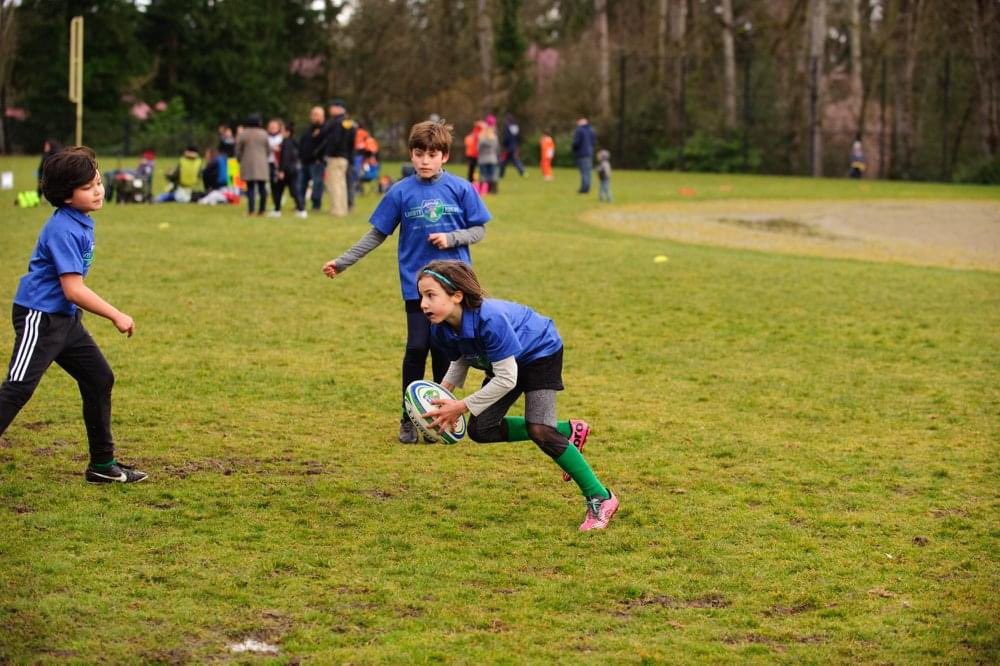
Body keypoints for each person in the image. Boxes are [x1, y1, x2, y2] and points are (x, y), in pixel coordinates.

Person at [416, 260, 617, 531]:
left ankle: (600, 497)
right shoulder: (440, 327)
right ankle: (568, 431)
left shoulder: (490, 320)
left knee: (540, 430)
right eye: (421, 296)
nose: (423, 304)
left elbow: (508, 378)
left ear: (457, 296)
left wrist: (460, 406)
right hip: (504, 363)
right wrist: (440, 399)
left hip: (539, 351)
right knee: (481, 429)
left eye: (431, 295)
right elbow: (460, 358)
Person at [322, 120, 490, 443]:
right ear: (411, 155)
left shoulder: (460, 189)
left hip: (453, 290)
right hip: (418, 288)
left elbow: (479, 230)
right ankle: (408, 417)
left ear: (444, 156)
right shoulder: (400, 191)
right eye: (419, 153)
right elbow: (376, 234)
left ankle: (437, 419)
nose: (425, 160)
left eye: (432, 154)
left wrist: (452, 237)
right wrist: (342, 263)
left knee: (444, 354)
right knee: (416, 347)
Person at [0, 147, 147, 483]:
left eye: (98, 182)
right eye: (87, 187)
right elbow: (73, 289)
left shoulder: (80, 220)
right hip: (41, 317)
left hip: (65, 320)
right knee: (18, 388)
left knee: (98, 378)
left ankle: (102, 466)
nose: (97, 190)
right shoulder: (64, 229)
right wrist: (116, 315)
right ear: (66, 197)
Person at [321, 99, 356, 217]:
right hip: (345, 157)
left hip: (335, 157)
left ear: (339, 108)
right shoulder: (349, 122)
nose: (330, 109)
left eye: (333, 107)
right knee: (341, 184)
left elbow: (334, 140)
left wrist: (329, 152)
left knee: (334, 184)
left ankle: (336, 210)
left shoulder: (336, 122)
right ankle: (343, 208)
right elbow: (352, 141)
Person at [236, 114, 269, 216]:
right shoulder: (264, 134)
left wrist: (239, 159)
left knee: (250, 188)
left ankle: (251, 210)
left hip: (248, 163)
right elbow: (268, 149)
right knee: (262, 188)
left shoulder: (244, 134)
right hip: (262, 164)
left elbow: (238, 149)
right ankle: (262, 210)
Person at [274, 122, 306, 218]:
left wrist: (281, 170)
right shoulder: (293, 141)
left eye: (282, 130)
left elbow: (285, 157)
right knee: (294, 190)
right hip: (293, 169)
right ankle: (301, 209)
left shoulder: (286, 142)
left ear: (287, 132)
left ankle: (277, 210)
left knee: (279, 191)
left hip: (287, 170)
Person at [298, 106, 327, 211]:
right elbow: (302, 144)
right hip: (305, 161)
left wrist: (320, 157)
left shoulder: (325, 129)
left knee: (317, 184)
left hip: (317, 162)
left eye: (316, 114)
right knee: (301, 184)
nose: (314, 117)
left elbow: (326, 145)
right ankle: (300, 205)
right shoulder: (308, 129)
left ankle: (316, 205)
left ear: (322, 116)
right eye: (312, 114)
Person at [571, 116, 596, 194]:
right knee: (588, 172)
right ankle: (587, 188)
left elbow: (576, 143)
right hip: (589, 153)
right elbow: (594, 142)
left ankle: (584, 189)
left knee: (583, 172)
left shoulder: (579, 130)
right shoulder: (591, 130)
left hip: (581, 154)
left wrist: (574, 149)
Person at [476, 117, 500, 195]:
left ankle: (484, 190)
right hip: (492, 158)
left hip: (483, 159)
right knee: (493, 175)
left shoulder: (482, 137)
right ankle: (494, 190)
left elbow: (478, 148)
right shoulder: (494, 137)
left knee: (483, 175)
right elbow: (497, 148)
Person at [266, 118, 284, 216]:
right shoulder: (266, 138)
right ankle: (276, 205)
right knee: (272, 186)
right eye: (270, 127)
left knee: (278, 186)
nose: (272, 128)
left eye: (274, 127)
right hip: (268, 163)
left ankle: (278, 205)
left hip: (278, 164)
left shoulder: (281, 138)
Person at [499, 112, 526, 178]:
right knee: (516, 160)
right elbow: (519, 137)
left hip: (508, 147)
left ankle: (501, 174)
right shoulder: (516, 127)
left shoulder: (506, 127)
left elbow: (506, 137)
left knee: (503, 161)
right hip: (515, 147)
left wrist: (504, 145)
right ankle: (522, 172)